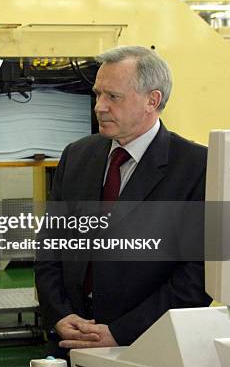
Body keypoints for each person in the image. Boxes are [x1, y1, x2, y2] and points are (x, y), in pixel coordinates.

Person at [35, 46, 211, 357]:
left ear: (151, 101)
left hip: (145, 345)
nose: (99, 107)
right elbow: (50, 244)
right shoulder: (77, 155)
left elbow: (198, 275)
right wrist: (59, 315)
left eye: (113, 96)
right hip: (70, 339)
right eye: (97, 94)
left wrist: (122, 332)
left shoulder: (197, 167)